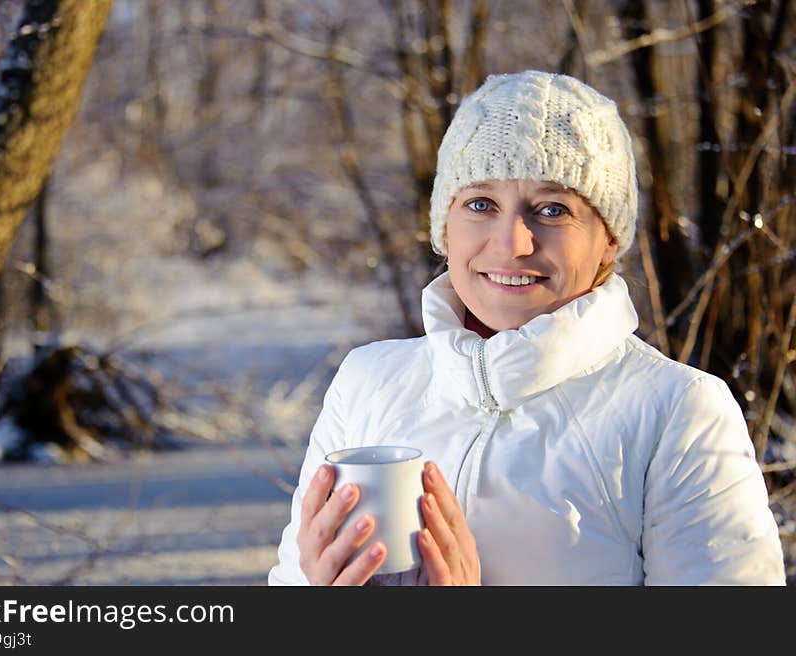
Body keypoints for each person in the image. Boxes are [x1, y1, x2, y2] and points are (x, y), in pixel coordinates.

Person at [267, 70, 786, 585]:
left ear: (609, 239)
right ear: (444, 226)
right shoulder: (369, 382)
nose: (512, 242)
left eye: (552, 209)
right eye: (480, 204)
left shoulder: (677, 412)